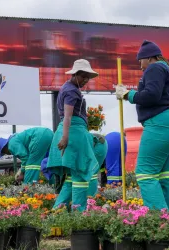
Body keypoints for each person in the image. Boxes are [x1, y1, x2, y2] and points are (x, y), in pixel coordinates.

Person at [115, 40, 169, 210]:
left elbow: (152, 95)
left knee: (145, 173)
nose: (140, 66)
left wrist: (128, 95)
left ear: (148, 58)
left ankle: (160, 222)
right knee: (168, 175)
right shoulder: (166, 69)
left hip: (161, 123)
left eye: (140, 61)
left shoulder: (154, 68)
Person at [47, 59, 99, 211]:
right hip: (74, 134)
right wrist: (65, 137)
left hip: (71, 132)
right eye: (83, 76)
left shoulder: (68, 87)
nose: (86, 80)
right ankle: (79, 213)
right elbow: (68, 116)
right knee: (82, 173)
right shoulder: (71, 91)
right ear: (75, 74)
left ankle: (58, 210)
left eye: (88, 77)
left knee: (72, 177)